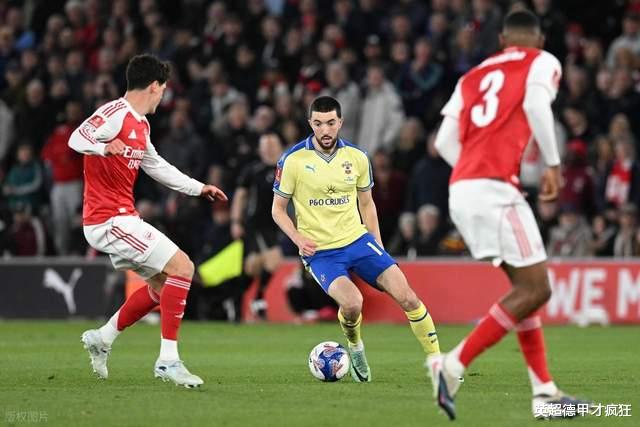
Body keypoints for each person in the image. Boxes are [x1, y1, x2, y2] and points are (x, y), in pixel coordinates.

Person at [431, 10, 588, 420]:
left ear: (502, 40)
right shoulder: (541, 60)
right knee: (538, 289)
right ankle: (452, 364)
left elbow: (443, 142)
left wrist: (472, 171)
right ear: (539, 39)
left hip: (462, 190)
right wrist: (552, 164)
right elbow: (536, 104)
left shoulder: (473, 76)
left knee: (525, 289)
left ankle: (545, 393)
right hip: (495, 192)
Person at [69, 54, 228, 388]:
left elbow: (156, 166)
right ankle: (168, 361)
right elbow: (77, 138)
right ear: (154, 86)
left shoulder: (141, 125)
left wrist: (198, 188)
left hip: (122, 218)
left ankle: (102, 338)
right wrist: (103, 147)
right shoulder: (114, 113)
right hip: (108, 220)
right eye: (164, 89)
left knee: (161, 287)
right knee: (184, 267)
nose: (163, 96)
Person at [272, 96, 440, 383]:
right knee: (352, 304)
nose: (325, 130)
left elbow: (367, 204)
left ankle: (438, 363)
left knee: (409, 297)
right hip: (321, 251)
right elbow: (277, 210)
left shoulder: (358, 157)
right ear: (310, 123)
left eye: (330, 123)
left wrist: (378, 244)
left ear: (340, 122)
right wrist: (298, 238)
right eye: (318, 124)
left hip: (358, 241)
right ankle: (355, 346)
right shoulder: (293, 160)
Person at [230, 133, 285, 320]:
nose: (269, 150)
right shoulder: (253, 170)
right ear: (260, 150)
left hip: (276, 224)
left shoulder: (287, 169)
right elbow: (240, 196)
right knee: (273, 259)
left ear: (280, 148)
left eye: (272, 146)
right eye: (265, 146)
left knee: (253, 267)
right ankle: (258, 299)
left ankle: (235, 297)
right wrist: (236, 221)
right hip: (256, 224)